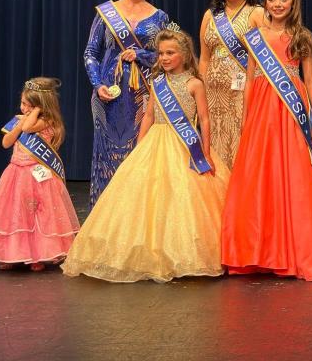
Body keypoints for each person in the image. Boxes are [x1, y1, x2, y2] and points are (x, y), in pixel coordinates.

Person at [63, 29, 230, 283]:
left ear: (184, 55)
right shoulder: (157, 83)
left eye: (170, 53)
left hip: (185, 145)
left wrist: (205, 151)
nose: (163, 58)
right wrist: (140, 146)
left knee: (184, 197)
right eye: (161, 53)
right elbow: (149, 115)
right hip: (155, 142)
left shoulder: (195, 84)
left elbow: (205, 120)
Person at [221, 0, 312, 281]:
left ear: (293, 1)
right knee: (262, 173)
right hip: (262, 107)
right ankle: (261, 250)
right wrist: (244, 117)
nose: (278, 4)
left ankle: (297, 249)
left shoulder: (302, 35)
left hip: (293, 107)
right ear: (265, 2)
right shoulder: (254, 34)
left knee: (296, 174)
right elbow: (251, 75)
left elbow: (309, 80)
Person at [83, 0, 170, 207]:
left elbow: (167, 58)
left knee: (139, 155)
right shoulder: (106, 13)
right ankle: (105, 217)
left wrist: (141, 55)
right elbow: (90, 52)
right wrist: (97, 85)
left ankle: (136, 216)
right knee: (107, 156)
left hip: (143, 96)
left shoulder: (159, 17)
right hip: (108, 94)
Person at [0, 78, 79, 270]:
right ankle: (10, 253)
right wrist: (19, 123)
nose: (24, 108)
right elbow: (6, 143)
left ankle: (37, 255)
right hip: (15, 174)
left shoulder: (47, 121)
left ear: (41, 106)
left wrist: (34, 114)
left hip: (37, 176)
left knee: (38, 215)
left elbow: (29, 127)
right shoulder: (19, 120)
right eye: (23, 104)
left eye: (30, 106)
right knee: (14, 215)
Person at [199, 0, 264, 168]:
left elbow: (265, 59)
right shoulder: (210, 15)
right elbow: (205, 59)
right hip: (213, 95)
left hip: (242, 94)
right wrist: (200, 89)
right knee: (214, 147)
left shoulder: (257, 13)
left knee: (240, 146)